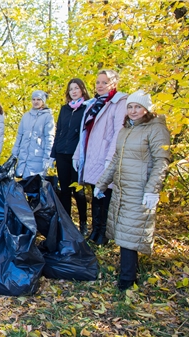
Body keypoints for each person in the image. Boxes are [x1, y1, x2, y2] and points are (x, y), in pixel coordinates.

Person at [94, 90, 170, 291]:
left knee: (130, 233)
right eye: (130, 107)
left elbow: (161, 162)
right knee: (125, 230)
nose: (133, 110)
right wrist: (101, 184)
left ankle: (127, 281)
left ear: (147, 109)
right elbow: (116, 161)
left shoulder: (156, 130)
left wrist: (152, 190)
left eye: (138, 107)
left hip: (140, 189)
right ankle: (129, 272)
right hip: (122, 188)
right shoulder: (126, 130)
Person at [73, 70, 128, 245]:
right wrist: (77, 155)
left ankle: (103, 233)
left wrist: (109, 158)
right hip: (91, 155)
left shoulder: (119, 102)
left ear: (114, 83)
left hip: (104, 156)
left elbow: (119, 131)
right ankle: (95, 231)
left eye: (105, 82)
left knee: (105, 195)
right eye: (98, 82)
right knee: (95, 195)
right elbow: (83, 132)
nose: (100, 85)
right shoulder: (93, 104)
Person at [50, 79, 90, 236]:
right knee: (65, 191)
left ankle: (83, 223)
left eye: (77, 88)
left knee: (78, 191)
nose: (74, 91)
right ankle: (66, 224)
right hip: (62, 154)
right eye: (71, 89)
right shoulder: (64, 109)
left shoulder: (87, 108)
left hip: (77, 155)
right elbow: (59, 131)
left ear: (82, 90)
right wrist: (53, 154)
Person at [11, 90, 55, 179]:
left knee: (35, 185)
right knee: (24, 186)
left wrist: (47, 157)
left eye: (38, 99)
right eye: (33, 99)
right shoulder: (26, 116)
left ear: (43, 101)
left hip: (38, 157)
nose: (35, 102)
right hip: (24, 156)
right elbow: (19, 135)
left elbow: (49, 138)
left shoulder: (47, 117)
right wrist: (14, 154)